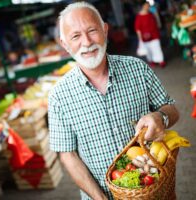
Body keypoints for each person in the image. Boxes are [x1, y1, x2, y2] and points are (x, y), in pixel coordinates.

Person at [48, 2, 179, 200]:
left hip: (152, 190)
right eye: (75, 36)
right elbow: (68, 154)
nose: (86, 42)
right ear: (65, 44)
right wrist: (99, 198)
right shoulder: (59, 96)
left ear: (105, 30)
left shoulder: (137, 69)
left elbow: (173, 110)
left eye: (92, 30)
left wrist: (160, 116)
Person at [134, 1, 166, 68]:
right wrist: (140, 39)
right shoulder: (139, 17)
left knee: (157, 47)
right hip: (145, 37)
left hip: (154, 35)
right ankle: (152, 61)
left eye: (148, 5)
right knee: (149, 50)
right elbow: (137, 29)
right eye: (146, 5)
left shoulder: (151, 14)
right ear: (142, 6)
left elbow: (156, 23)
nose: (148, 7)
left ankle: (161, 61)